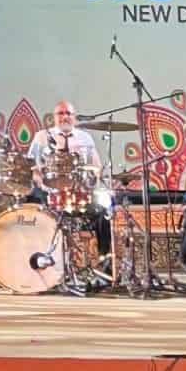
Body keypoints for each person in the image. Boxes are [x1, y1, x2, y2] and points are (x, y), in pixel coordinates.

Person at [28, 100, 110, 256]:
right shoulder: (42, 137)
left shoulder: (85, 138)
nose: (64, 117)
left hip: (79, 194)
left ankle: (104, 258)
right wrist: (42, 184)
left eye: (68, 113)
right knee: (31, 203)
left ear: (74, 117)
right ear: (54, 117)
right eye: (60, 113)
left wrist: (92, 180)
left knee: (104, 209)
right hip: (48, 192)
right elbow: (32, 167)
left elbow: (96, 168)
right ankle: (39, 255)